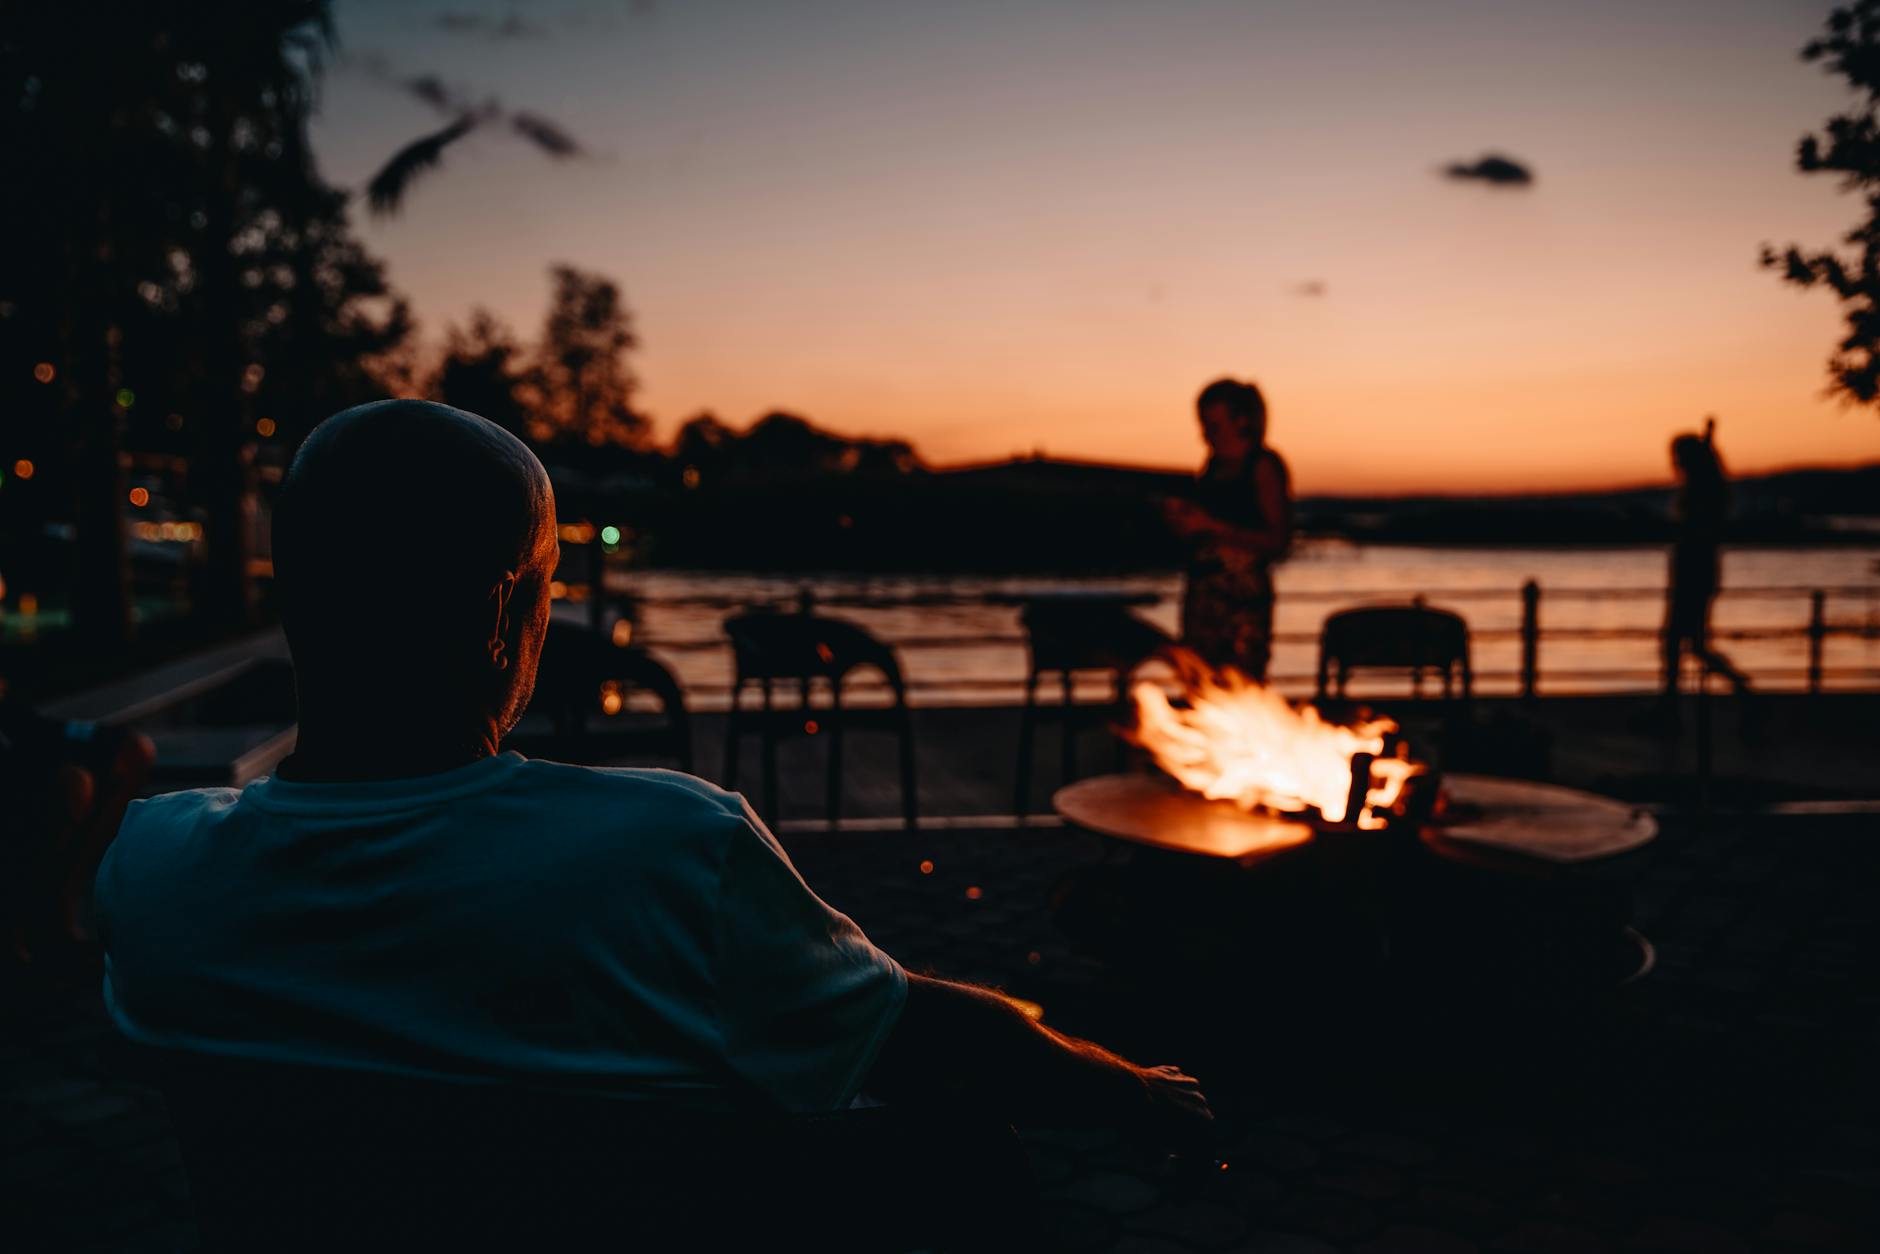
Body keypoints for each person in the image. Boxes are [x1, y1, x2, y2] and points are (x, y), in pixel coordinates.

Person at [94, 402, 1211, 1214]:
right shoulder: (667, 848)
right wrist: (1129, 1090)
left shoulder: (150, 867)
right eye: (543, 587)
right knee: (965, 1150)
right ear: (500, 618)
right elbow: (916, 1039)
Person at [1164, 378, 1293, 680]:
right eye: (1204, 425)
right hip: (1203, 597)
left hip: (1242, 604)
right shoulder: (1212, 468)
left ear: (1241, 421)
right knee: (1199, 685)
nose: (1205, 435)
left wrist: (1212, 526)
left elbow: (1277, 540)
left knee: (1241, 689)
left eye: (1214, 425)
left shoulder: (1263, 466)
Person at [1660, 420, 1752, 711]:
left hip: (1693, 573)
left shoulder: (1701, 493)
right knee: (1688, 643)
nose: (1674, 462)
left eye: (1678, 456)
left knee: (1679, 642)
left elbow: (1698, 532)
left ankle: (1672, 706)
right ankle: (1742, 692)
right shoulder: (1707, 490)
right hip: (1698, 572)